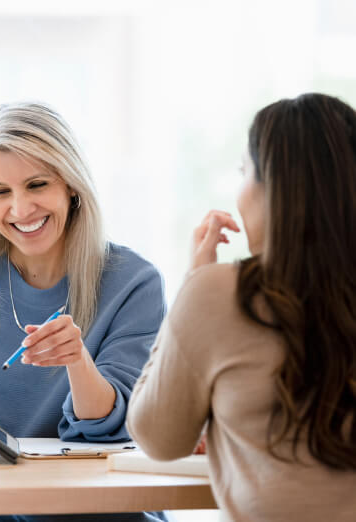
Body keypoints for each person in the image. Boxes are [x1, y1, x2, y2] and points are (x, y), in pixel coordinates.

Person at [0, 101, 168, 522]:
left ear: (71, 185)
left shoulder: (133, 282)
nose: (21, 210)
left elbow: (115, 428)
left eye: (37, 185)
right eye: (0, 192)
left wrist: (78, 361)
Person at [127, 93, 356, 521]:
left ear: (274, 188)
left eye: (243, 172)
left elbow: (159, 438)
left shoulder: (219, 293)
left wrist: (193, 287)